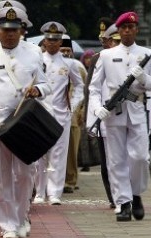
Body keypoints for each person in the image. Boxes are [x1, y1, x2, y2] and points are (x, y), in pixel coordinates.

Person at [0, 7, 50, 238]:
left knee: (25, 174)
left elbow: (46, 84)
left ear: (21, 31)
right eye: (5, 30)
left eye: (14, 30)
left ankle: (23, 216)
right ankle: (7, 224)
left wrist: (38, 90)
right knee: (2, 176)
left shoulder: (34, 52)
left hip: (25, 123)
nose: (10, 35)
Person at [89, 11, 151, 221]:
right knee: (116, 159)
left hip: (137, 110)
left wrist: (144, 77)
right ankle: (124, 203)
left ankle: (136, 193)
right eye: (124, 28)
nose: (127, 31)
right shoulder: (106, 56)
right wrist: (96, 109)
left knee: (139, 157)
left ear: (136, 29)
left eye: (131, 27)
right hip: (113, 113)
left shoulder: (148, 54)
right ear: (119, 31)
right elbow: (94, 88)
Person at [33, 21, 84, 205]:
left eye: (56, 40)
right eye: (49, 39)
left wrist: (74, 106)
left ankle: (54, 192)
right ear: (44, 41)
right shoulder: (37, 60)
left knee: (58, 154)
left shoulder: (69, 64)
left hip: (61, 113)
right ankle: (39, 192)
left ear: (60, 41)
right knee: (39, 155)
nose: (53, 43)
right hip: (40, 112)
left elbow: (80, 86)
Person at [84, 19, 120, 209]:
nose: (109, 43)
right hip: (103, 116)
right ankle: (113, 196)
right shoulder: (98, 58)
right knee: (107, 162)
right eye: (109, 40)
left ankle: (126, 195)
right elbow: (91, 90)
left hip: (125, 117)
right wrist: (92, 119)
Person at [59, 35, 87, 194]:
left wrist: (82, 111)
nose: (65, 53)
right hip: (55, 112)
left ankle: (70, 181)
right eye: (62, 50)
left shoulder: (78, 67)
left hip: (73, 115)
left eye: (67, 50)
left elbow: (86, 91)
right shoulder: (50, 64)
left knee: (71, 151)